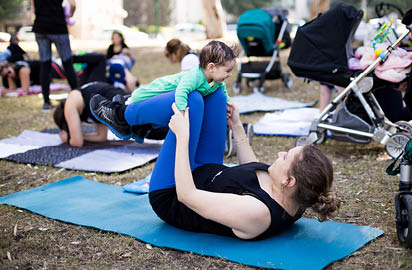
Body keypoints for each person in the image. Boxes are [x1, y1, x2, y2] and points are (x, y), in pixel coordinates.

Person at [155, 92, 340, 239]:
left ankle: (126, 117)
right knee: (216, 96)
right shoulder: (296, 195)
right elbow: (252, 170)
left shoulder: (258, 214)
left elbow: (187, 195)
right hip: (205, 168)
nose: (280, 154)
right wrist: (236, 126)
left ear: (289, 181)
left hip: (172, 194)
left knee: (193, 101)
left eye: (285, 157)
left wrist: (182, 136)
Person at [89, 40, 236, 142]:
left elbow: (222, 91)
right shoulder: (195, 76)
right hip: (162, 88)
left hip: (167, 96)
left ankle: (140, 128)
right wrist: (182, 114)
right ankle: (121, 108)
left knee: (149, 112)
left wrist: (227, 103)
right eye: (228, 71)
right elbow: (181, 92)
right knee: (140, 97)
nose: (230, 75)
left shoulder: (216, 81)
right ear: (211, 67)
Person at [32, 0, 78, 111]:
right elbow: (72, 4)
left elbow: (33, 8)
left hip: (40, 27)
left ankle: (46, 103)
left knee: (45, 64)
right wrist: (70, 14)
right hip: (58, 26)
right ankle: (78, 96)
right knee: (67, 62)